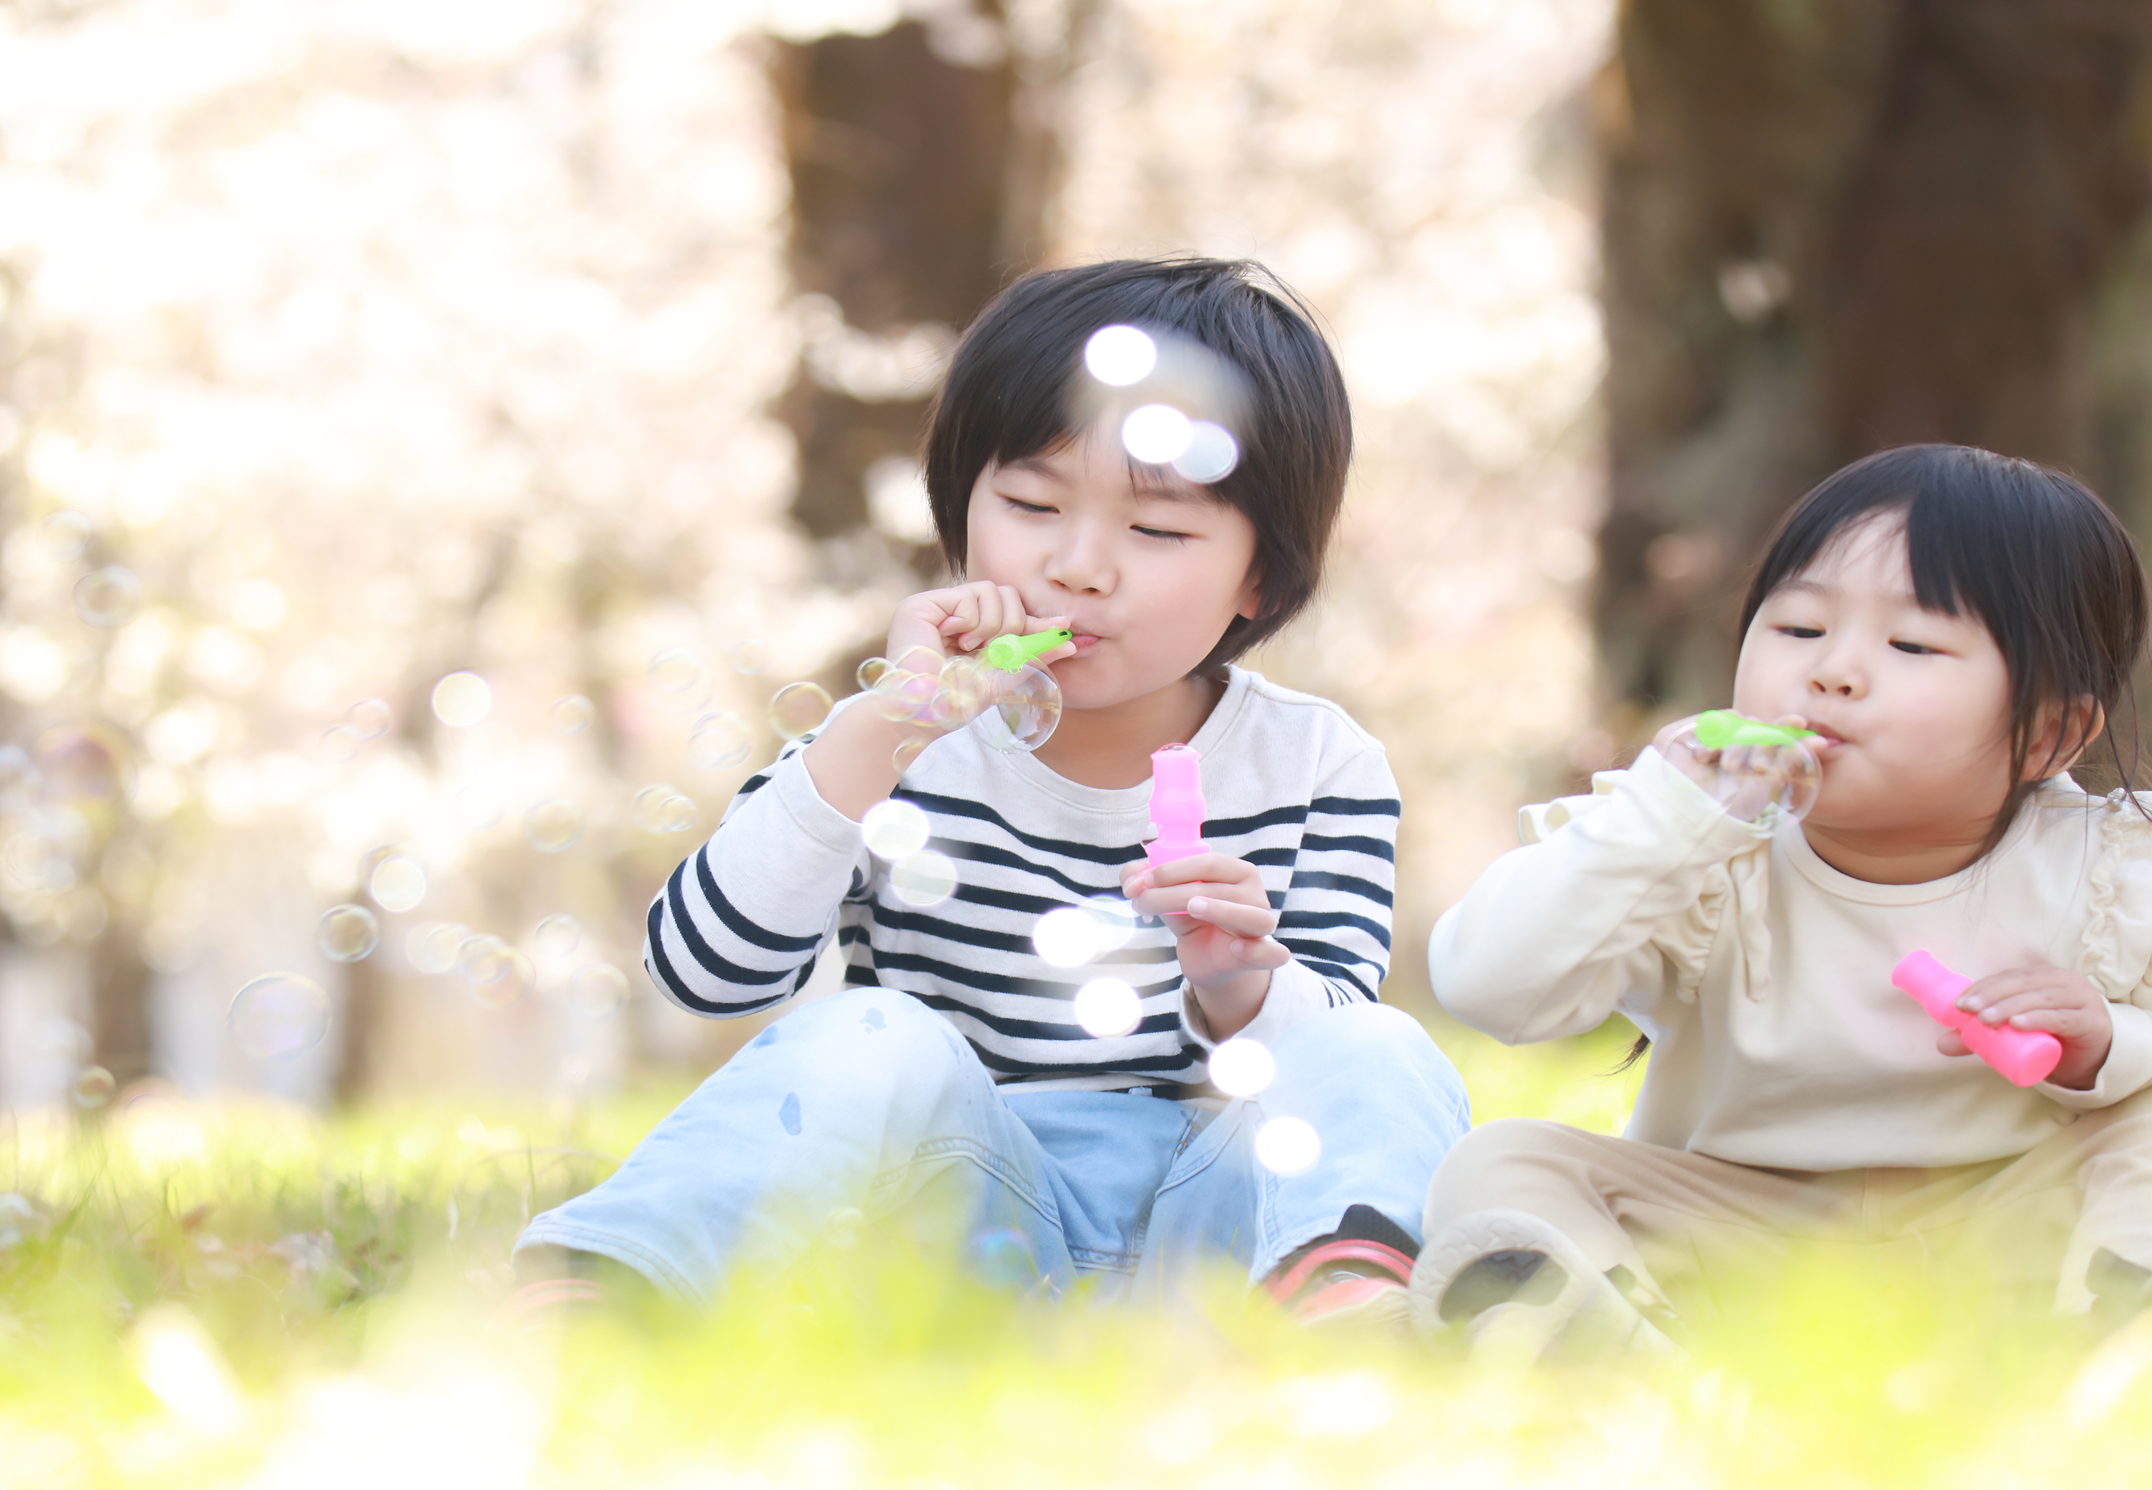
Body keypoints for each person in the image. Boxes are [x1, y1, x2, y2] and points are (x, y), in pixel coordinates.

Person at [508, 258, 1468, 1325]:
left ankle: (1344, 1300)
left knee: (1379, 1042)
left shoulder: (1317, 766)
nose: (1079, 566)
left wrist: (1240, 986)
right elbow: (704, 972)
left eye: (1156, 529)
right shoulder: (898, 746)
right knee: (868, 1028)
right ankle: (603, 1291)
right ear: (959, 506)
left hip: (1232, 1237)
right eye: (1028, 501)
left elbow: (1333, 1063)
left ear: (1260, 576)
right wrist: (882, 728)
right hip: (965, 1226)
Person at [1410, 444, 2152, 1359]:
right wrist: (1665, 823)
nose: (1833, 672)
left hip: (2014, 1232)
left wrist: (2113, 1043)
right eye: (1800, 630)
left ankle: (2139, 1327)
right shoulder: (1688, 850)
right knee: (1499, 1162)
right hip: (1740, 1236)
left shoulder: (2124, 870)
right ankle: (1627, 1352)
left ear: (2050, 731)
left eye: (1912, 645)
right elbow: (1491, 988)